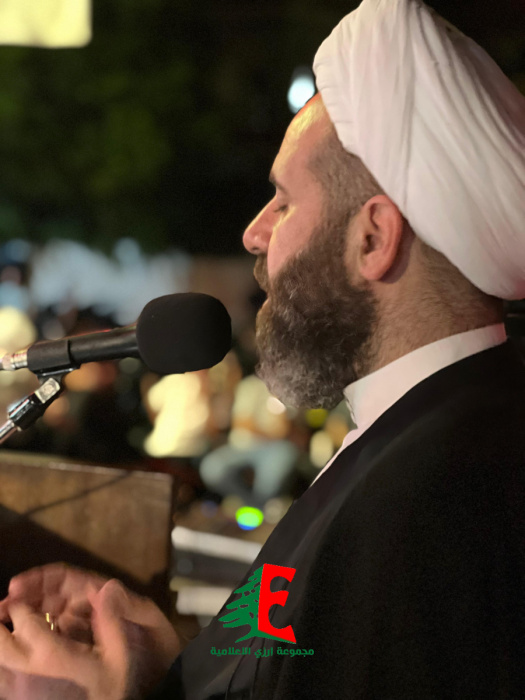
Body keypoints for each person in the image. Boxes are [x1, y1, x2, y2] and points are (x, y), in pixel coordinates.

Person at [1, 0, 525, 697]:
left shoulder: (434, 492)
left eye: (282, 201)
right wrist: (170, 662)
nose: (254, 233)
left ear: (372, 238)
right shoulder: (422, 429)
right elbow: (296, 657)